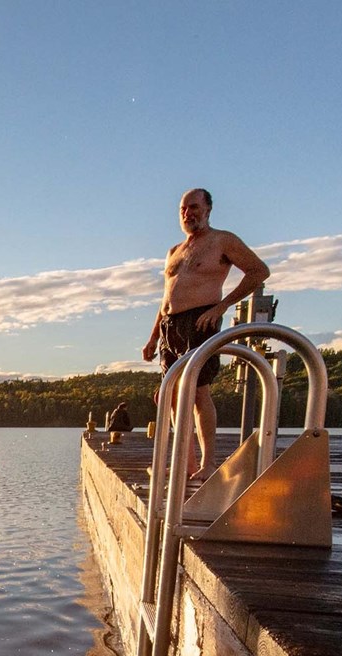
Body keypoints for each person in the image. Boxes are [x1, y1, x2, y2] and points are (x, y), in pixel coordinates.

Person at [141, 188, 270, 482]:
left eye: (194, 207)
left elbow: (258, 271)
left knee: (199, 393)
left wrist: (222, 306)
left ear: (208, 209)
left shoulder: (222, 241)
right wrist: (152, 338)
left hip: (200, 320)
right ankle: (186, 463)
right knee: (170, 396)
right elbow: (165, 298)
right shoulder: (174, 252)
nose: (189, 213)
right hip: (169, 327)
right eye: (184, 209)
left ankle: (208, 464)